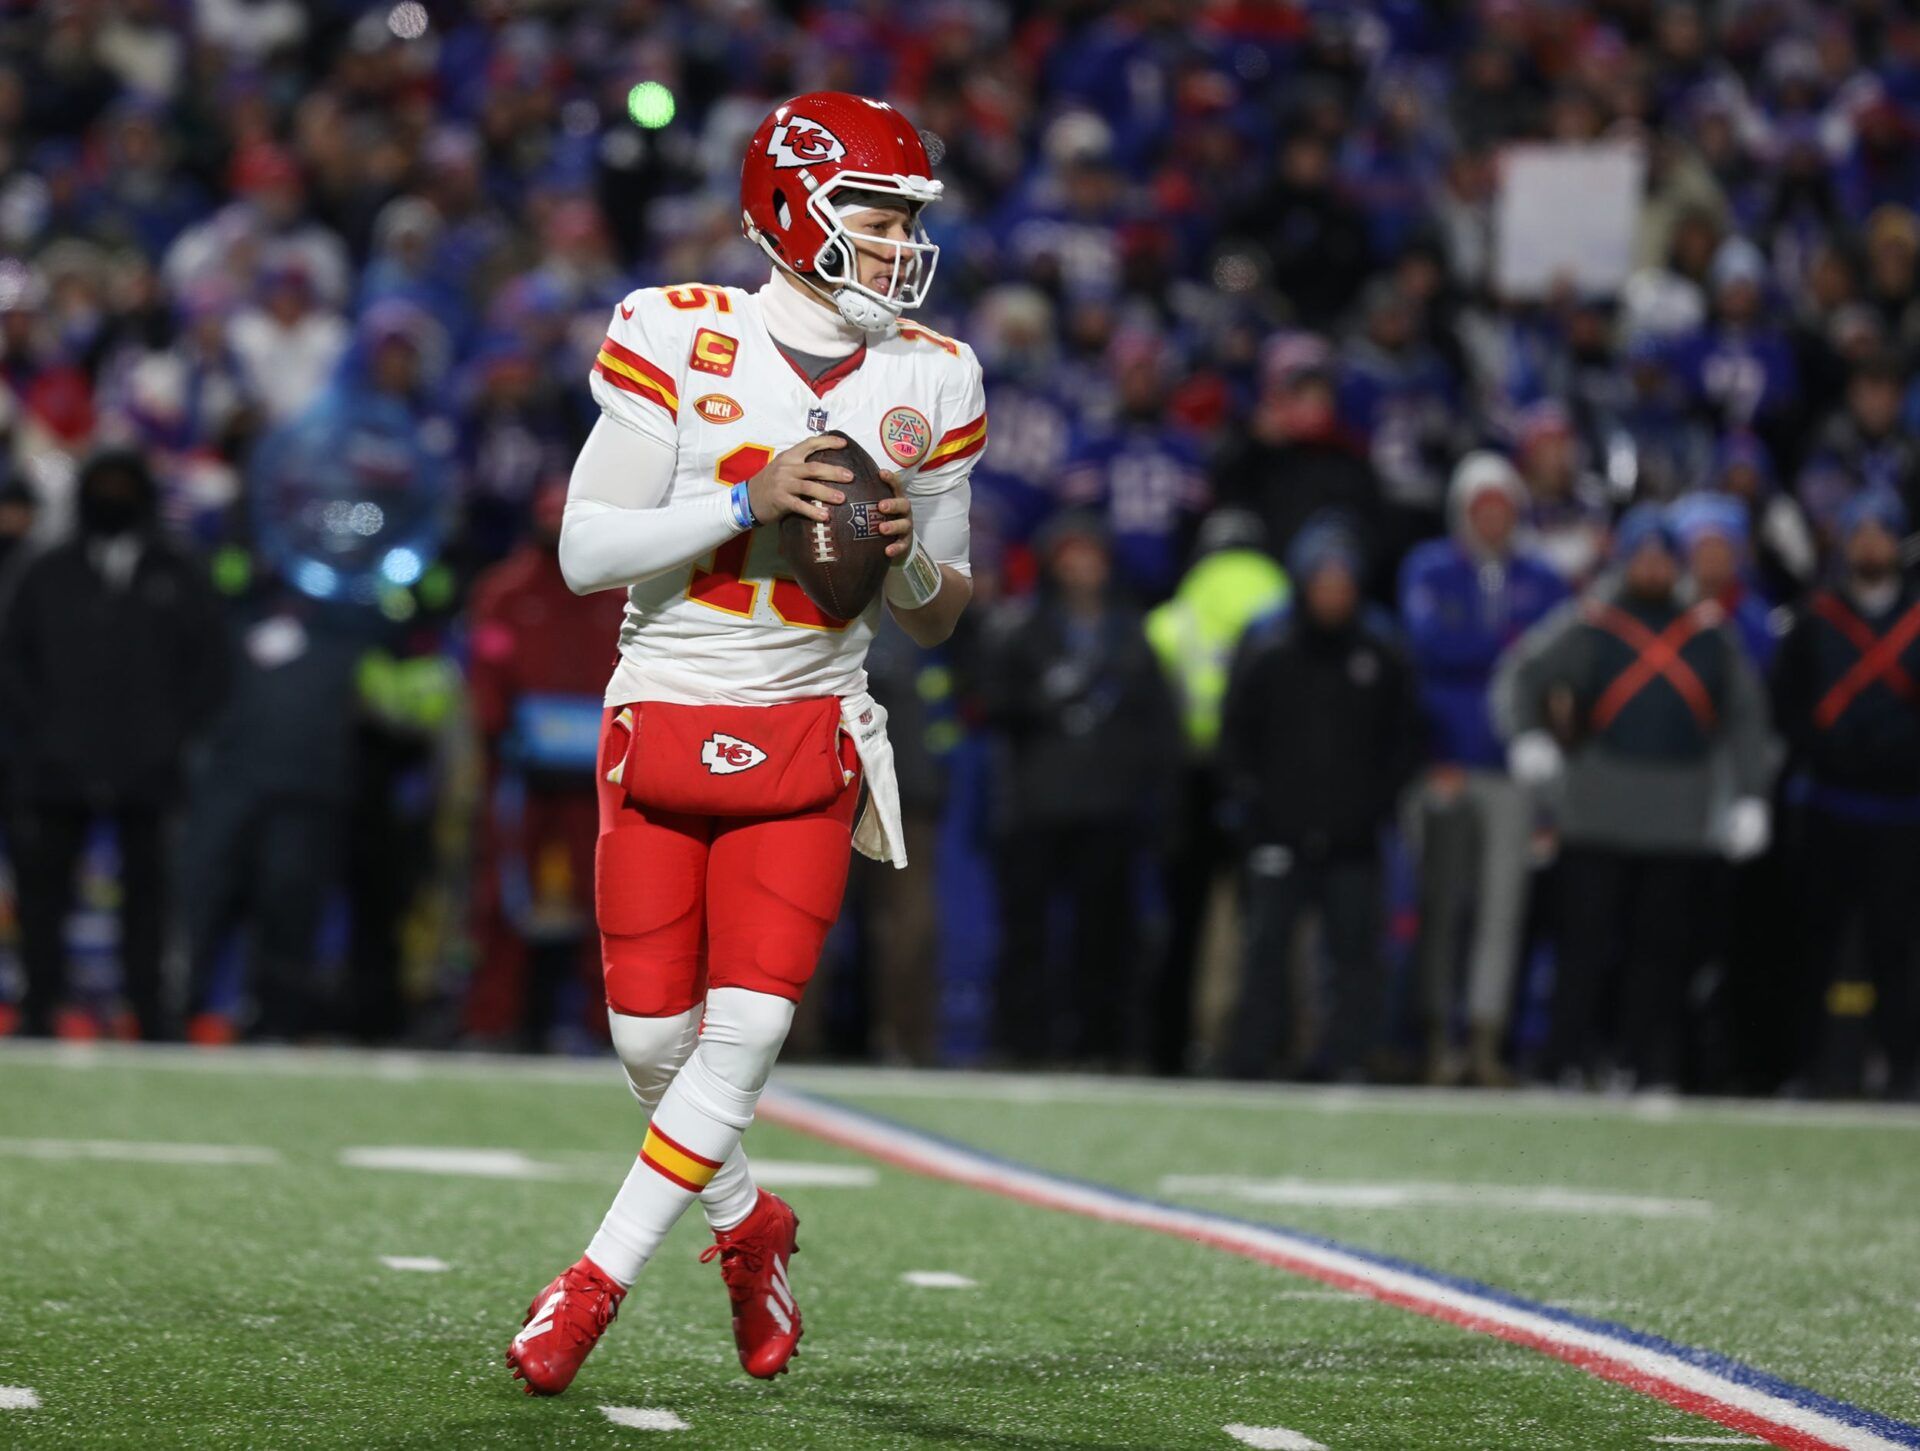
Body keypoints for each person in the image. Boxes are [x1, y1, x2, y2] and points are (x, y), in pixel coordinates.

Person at [508, 93, 984, 1399]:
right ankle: (748, 1222)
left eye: (905, 217)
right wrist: (743, 496)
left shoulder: (934, 374)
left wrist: (909, 571)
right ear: (792, 212)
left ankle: (591, 1283)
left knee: (750, 1029)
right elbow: (585, 548)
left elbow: (947, 612)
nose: (897, 241)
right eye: (874, 214)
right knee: (655, 1043)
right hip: (662, 712)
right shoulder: (677, 330)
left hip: (807, 736)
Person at [1493, 506, 1775, 1089]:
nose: (1651, 567)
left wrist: (1752, 796)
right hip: (1595, 810)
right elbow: (1522, 676)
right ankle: (1564, 1060)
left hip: (1679, 816)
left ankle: (1649, 1064)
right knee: (1583, 949)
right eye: (1641, 554)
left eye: (1660, 555)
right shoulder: (1591, 622)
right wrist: (1527, 738)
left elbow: (1747, 718)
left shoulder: (1707, 634)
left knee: (1663, 955)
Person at [0, 449, 227, 1038]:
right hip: (55, 764)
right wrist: (43, 735)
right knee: (44, 893)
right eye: (101, 484)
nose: (112, 496)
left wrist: (169, 736)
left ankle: (148, 1012)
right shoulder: (46, 570)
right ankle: (39, 1006)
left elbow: (209, 666)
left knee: (150, 897)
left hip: (148, 766)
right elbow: (13, 661)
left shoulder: (178, 570)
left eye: (124, 485)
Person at [1220, 514, 1420, 1080]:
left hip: (1353, 834)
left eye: (1343, 582)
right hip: (1277, 828)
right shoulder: (1268, 645)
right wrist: (1253, 804)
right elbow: (1236, 734)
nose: (1333, 593)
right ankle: (1254, 1058)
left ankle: (1351, 1058)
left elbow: (1404, 739)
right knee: (1264, 954)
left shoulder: (1380, 650)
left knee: (1355, 954)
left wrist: (1374, 806)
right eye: (1323, 580)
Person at [980, 511, 1180, 1068]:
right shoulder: (1021, 630)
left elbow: (1157, 724)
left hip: (1108, 807)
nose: (1081, 565)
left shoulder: (1131, 633)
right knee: (1027, 935)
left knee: (1107, 935)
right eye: (1070, 553)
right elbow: (994, 706)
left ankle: (1102, 1043)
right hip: (1037, 806)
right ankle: (1021, 1043)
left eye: (1090, 553)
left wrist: (1152, 794)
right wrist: (1045, 702)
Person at [1399, 453, 1567, 1085]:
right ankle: (1438, 1033)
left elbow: (1556, 659)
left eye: (1503, 506)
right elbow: (1429, 646)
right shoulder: (1431, 567)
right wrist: (1509, 646)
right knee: (1442, 903)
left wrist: (1481, 647)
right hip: (1447, 759)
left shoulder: (1542, 576)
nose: (1493, 518)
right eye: (1481, 506)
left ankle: (1487, 1037)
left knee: (1503, 908)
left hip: (1513, 764)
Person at [463, 476, 625, 1048]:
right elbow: (485, 676)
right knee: (502, 896)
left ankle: (608, 1028)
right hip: (521, 775)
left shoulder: (617, 592)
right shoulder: (505, 592)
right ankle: (492, 1020)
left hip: (598, 777)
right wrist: (498, 737)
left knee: (609, 901)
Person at [1771, 490, 1920, 1097]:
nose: (1869, 544)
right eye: (1858, 532)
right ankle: (1808, 1067)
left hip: (1904, 813)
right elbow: (1788, 704)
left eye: (1880, 532)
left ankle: (1902, 1069)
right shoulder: (1814, 619)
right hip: (1830, 807)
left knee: (1899, 950)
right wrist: (1823, 753)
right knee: (1814, 944)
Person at [1144, 509, 1290, 1074]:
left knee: (1185, 923)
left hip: (1187, 780)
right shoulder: (1277, 595)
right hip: (1263, 778)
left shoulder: (1179, 611)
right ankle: (1259, 1049)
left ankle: (1175, 1048)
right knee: (1268, 923)